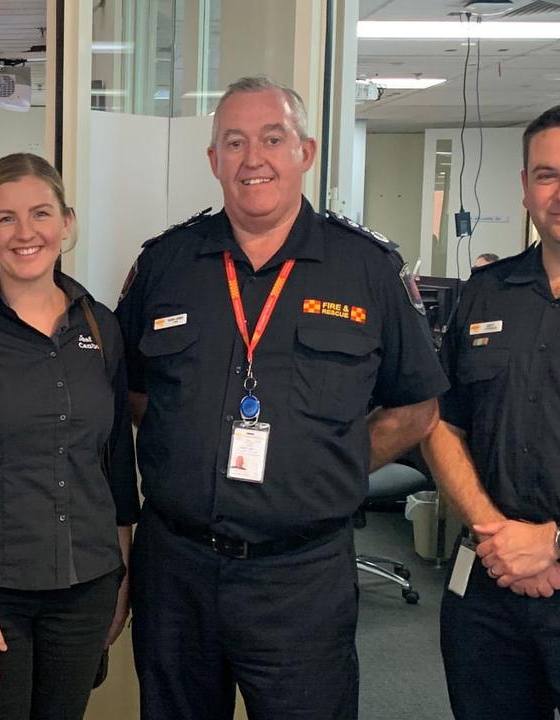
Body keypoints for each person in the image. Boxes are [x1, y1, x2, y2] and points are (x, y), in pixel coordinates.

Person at [114, 76, 448, 720]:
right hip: (178, 568)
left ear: (307, 151)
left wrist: (333, 462)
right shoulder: (167, 263)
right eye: (233, 142)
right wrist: (194, 449)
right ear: (213, 160)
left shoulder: (367, 268)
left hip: (300, 575)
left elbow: (416, 407)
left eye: (273, 138)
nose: (253, 158)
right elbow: (130, 391)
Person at [423, 102, 560, 720]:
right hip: (488, 582)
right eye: (546, 175)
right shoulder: (486, 291)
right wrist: (495, 534)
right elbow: (443, 423)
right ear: (525, 188)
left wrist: (558, 540)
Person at [0, 152, 139, 720]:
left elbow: (114, 462)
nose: (25, 233)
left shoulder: (100, 324)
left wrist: (121, 575)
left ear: (66, 222)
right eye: (5, 217)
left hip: (85, 584)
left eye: (40, 214)